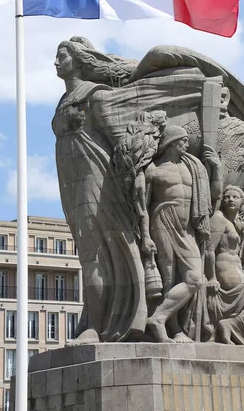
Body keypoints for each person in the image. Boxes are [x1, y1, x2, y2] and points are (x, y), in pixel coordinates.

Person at [52, 37, 147, 343]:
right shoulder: (63, 101)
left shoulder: (95, 95)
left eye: (61, 57)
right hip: (70, 179)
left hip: (96, 178)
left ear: (78, 61)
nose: (56, 63)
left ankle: (96, 326)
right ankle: (93, 319)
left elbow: (124, 143)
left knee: (95, 252)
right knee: (87, 249)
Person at [145, 125, 213, 343]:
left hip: (186, 229)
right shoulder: (153, 169)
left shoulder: (192, 168)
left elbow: (215, 195)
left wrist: (217, 168)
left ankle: (158, 318)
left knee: (195, 278)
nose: (187, 145)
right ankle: (171, 329)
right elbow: (141, 207)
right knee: (168, 277)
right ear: (172, 143)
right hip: (162, 220)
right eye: (183, 141)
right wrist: (145, 236)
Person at [205, 185, 244, 345]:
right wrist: (212, 278)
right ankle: (229, 326)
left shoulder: (232, 223)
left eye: (235, 197)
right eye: (227, 197)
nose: (230, 200)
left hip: (236, 269)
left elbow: (241, 253)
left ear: (242, 201)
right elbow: (208, 250)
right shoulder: (218, 219)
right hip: (225, 270)